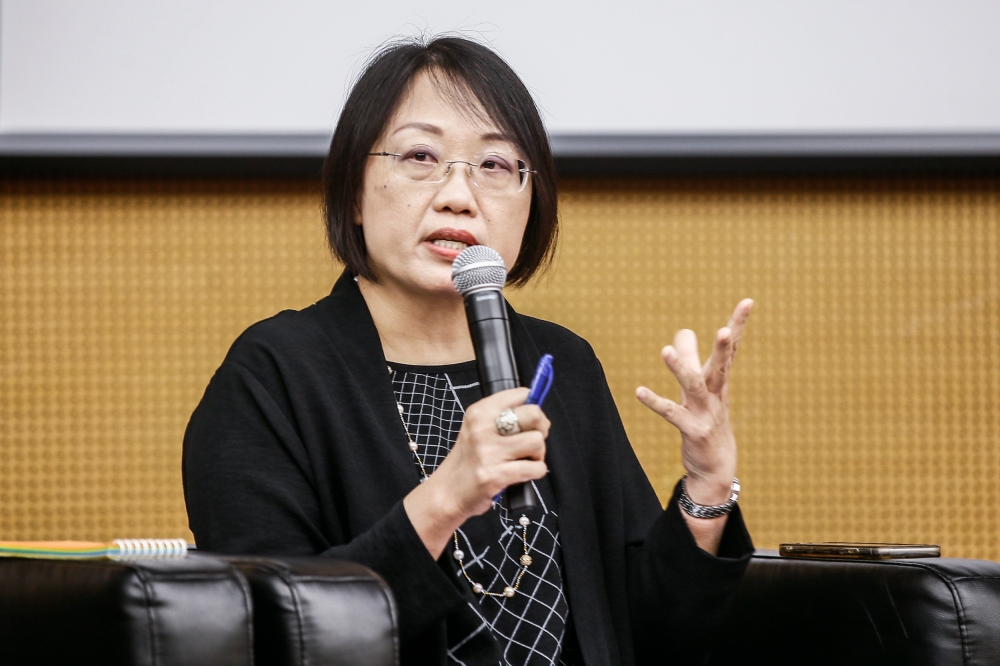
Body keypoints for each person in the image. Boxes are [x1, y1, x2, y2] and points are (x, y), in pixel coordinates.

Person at [183, 36, 754, 666]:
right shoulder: (274, 373)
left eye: (495, 165)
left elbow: (647, 632)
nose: (459, 195)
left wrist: (706, 485)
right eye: (421, 156)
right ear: (352, 192)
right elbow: (272, 631)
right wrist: (447, 497)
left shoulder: (561, 364)